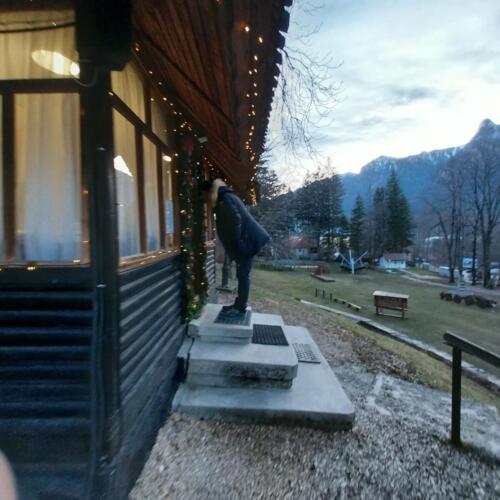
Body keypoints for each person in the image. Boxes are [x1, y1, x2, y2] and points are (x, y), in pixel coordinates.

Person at [201, 178, 270, 316]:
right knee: (242, 274)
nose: (204, 199)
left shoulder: (224, 199)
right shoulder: (226, 196)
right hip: (248, 241)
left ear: (209, 192)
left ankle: (240, 307)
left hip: (248, 242)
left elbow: (235, 220)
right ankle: (239, 304)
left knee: (243, 275)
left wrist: (239, 245)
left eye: (203, 195)